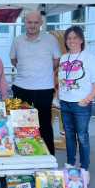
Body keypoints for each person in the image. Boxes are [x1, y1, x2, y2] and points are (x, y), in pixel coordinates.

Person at [58, 25, 95, 184]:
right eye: (69, 38)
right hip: (65, 103)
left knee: (83, 137)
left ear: (81, 40)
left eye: (75, 37)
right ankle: (70, 164)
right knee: (69, 136)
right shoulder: (64, 58)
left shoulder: (91, 58)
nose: (71, 41)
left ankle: (84, 168)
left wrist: (87, 99)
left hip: (81, 104)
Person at [10, 11, 61, 155]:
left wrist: (41, 72)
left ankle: (49, 157)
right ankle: (23, 156)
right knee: (21, 125)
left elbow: (56, 61)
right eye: (29, 22)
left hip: (44, 89)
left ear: (41, 23)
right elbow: (13, 60)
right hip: (21, 88)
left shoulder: (51, 40)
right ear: (25, 23)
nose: (32, 25)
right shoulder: (17, 40)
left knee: (44, 125)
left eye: (35, 22)